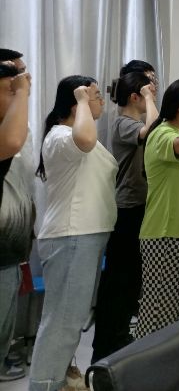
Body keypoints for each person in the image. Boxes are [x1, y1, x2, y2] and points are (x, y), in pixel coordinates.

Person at [29, 76, 118, 391]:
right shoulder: (62, 135)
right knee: (62, 324)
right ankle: (44, 385)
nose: (101, 101)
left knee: (70, 321)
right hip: (72, 236)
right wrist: (82, 98)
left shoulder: (76, 134)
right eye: (95, 95)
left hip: (85, 237)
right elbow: (85, 141)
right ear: (74, 102)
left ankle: (59, 380)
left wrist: (84, 100)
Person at [91, 71, 158, 362]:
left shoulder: (131, 122)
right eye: (146, 94)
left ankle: (118, 338)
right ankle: (106, 345)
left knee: (130, 280)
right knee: (119, 280)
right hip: (126, 209)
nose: (152, 99)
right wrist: (150, 99)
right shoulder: (123, 123)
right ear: (134, 97)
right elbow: (153, 129)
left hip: (136, 207)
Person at [136, 79, 179, 339]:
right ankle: (146, 359)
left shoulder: (178, 133)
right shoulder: (162, 134)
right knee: (159, 311)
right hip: (165, 234)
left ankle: (170, 359)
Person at [0, 62, 33, 382]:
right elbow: (10, 142)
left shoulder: (18, 129)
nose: (18, 95)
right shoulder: (8, 135)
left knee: (4, 329)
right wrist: (22, 91)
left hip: (10, 250)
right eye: (10, 90)